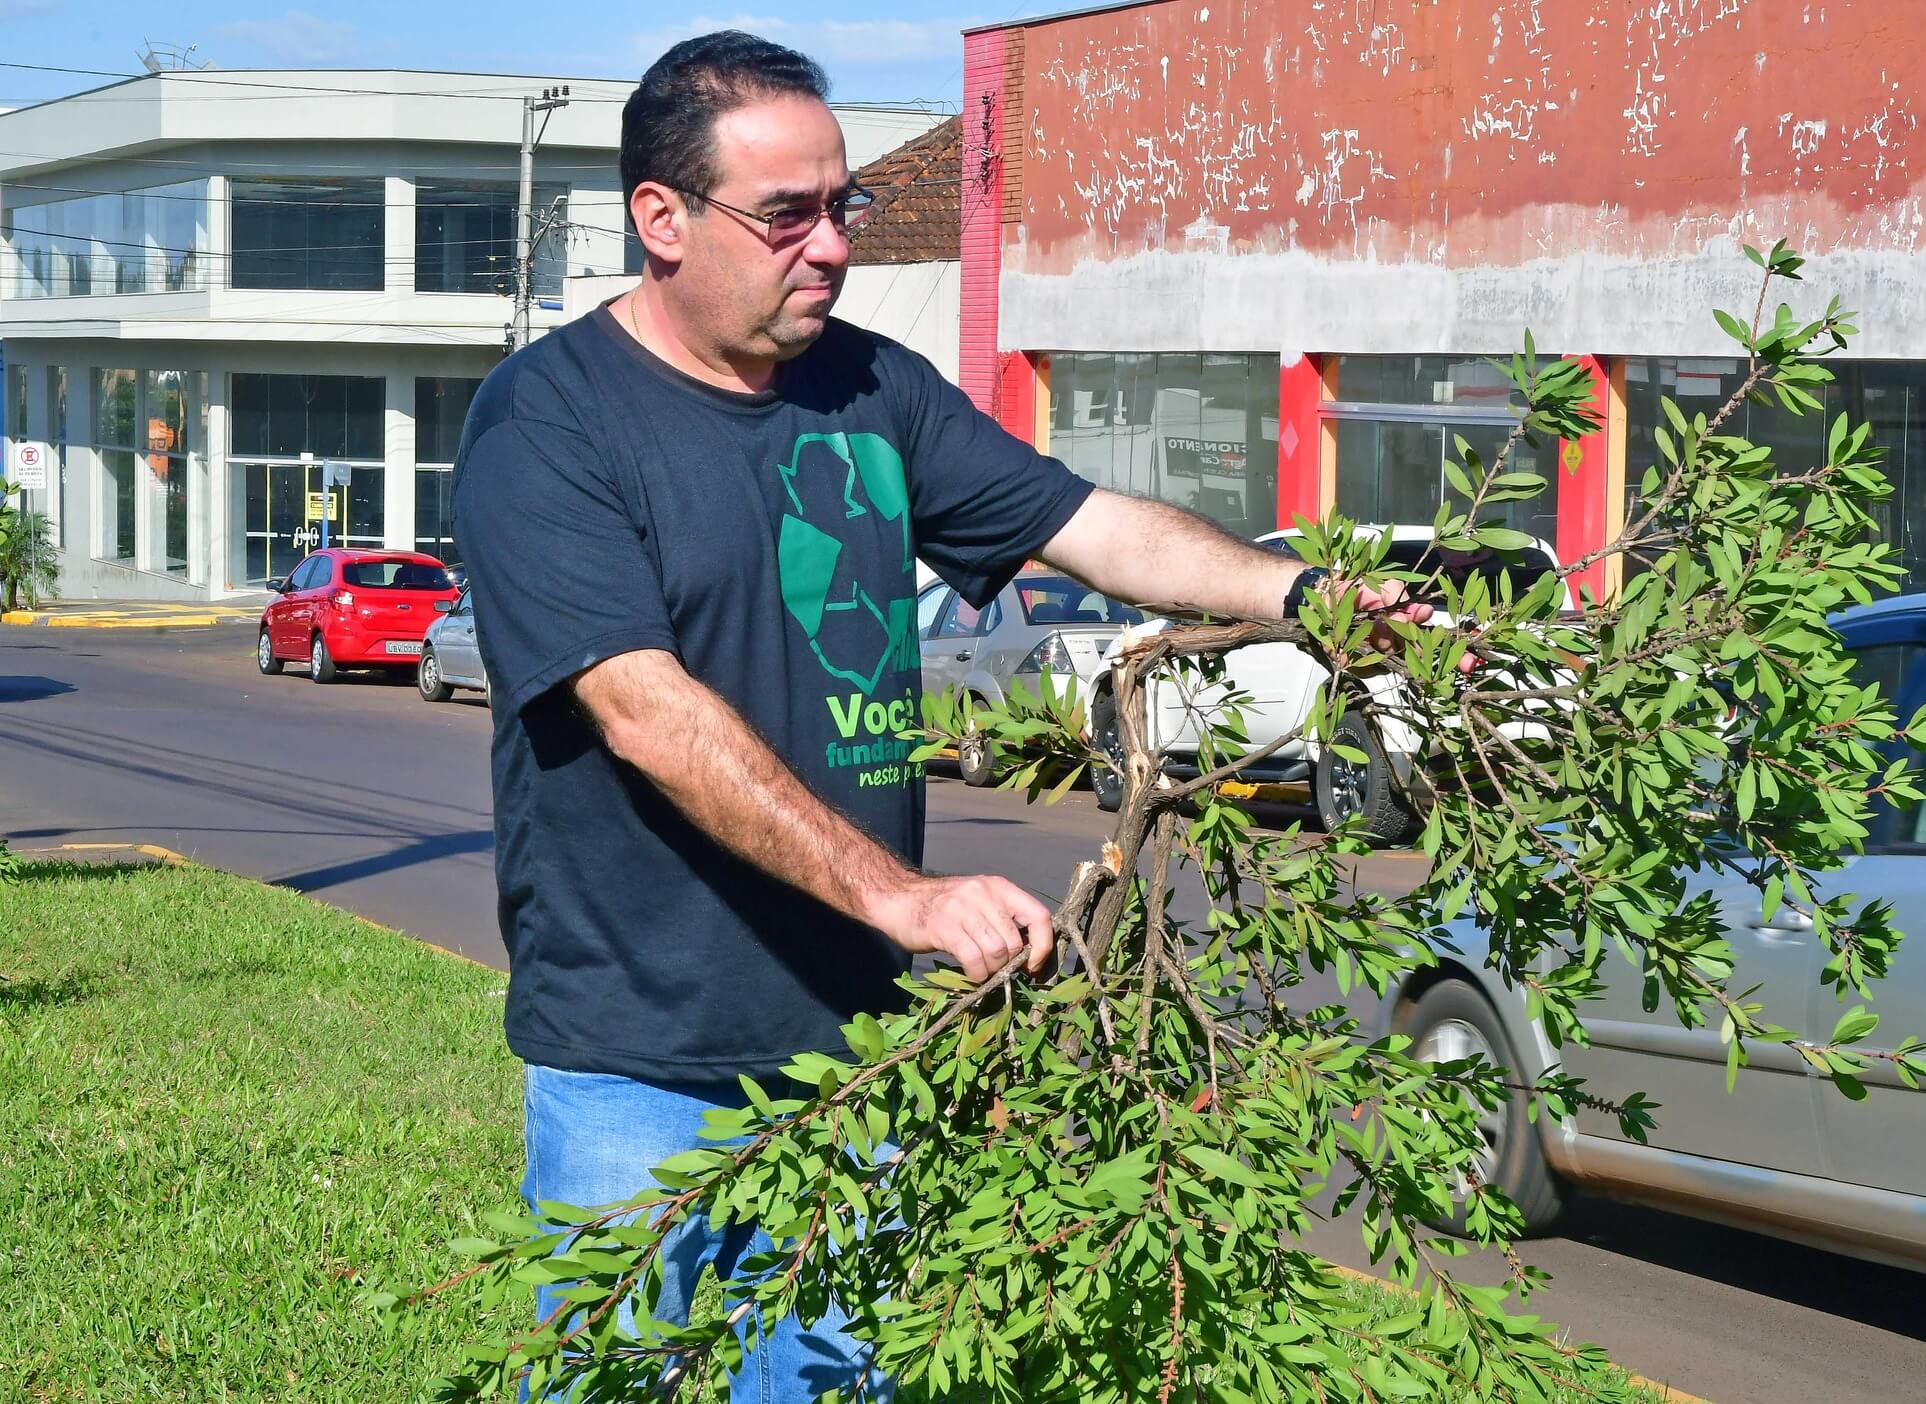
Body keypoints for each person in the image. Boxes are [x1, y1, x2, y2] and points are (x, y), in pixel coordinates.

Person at [452, 30, 1433, 1401]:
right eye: (784, 214)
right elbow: (644, 709)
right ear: (660, 220)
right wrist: (901, 896)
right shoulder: (547, 422)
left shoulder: (870, 389)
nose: (831, 246)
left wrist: (1309, 596)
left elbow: (1093, 529)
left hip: (864, 1061)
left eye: (838, 207)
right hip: (640, 1070)